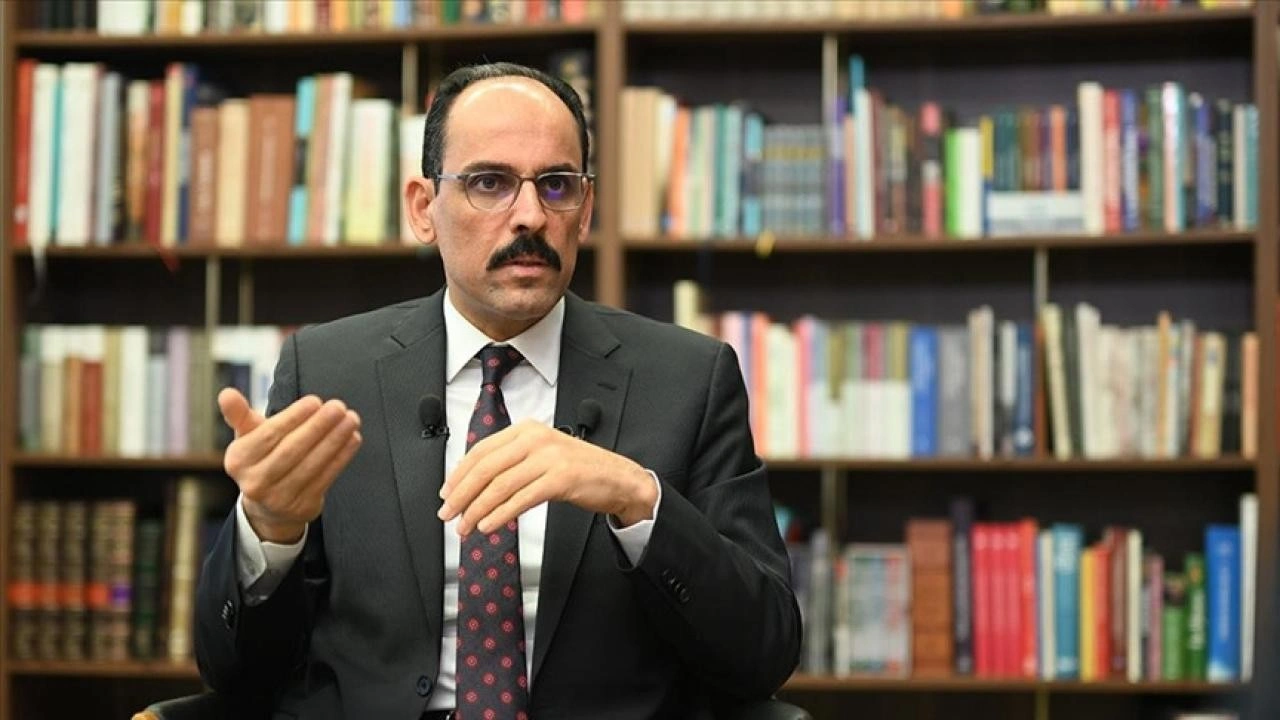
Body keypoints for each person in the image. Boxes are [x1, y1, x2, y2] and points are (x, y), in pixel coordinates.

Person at [194, 62, 801, 720]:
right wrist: (271, 531)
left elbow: (764, 652)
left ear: (585, 210)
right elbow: (235, 674)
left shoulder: (688, 379)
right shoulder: (327, 373)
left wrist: (638, 500)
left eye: (557, 185)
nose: (530, 216)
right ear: (423, 209)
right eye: (490, 183)